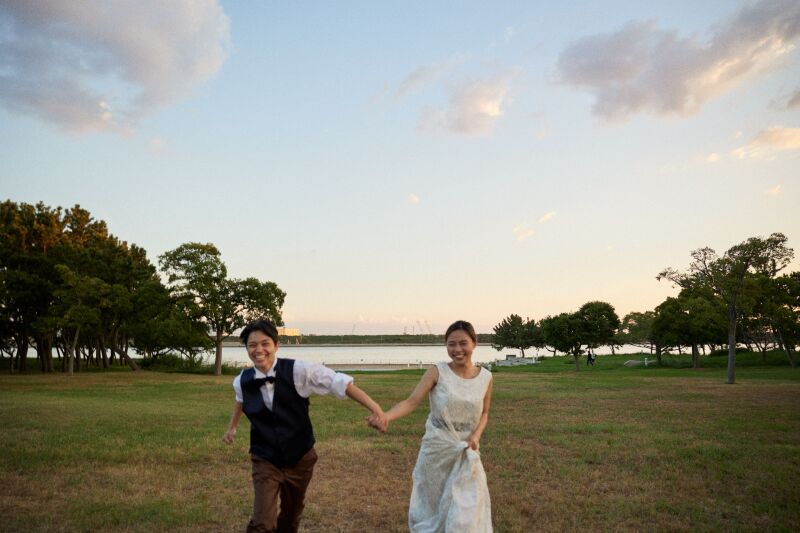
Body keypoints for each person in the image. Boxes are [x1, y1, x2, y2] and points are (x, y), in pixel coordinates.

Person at [223, 319, 385, 533]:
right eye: (252, 345)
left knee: (291, 515)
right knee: (263, 522)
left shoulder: (299, 370)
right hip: (265, 456)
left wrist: (376, 408)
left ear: (276, 345)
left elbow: (339, 383)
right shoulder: (241, 381)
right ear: (246, 349)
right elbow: (241, 400)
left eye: (265, 343)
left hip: (300, 456)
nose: (258, 350)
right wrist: (232, 427)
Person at [368, 320, 494, 532]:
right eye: (451, 344)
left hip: (467, 451)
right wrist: (386, 417)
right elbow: (411, 402)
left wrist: (476, 436)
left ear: (474, 343)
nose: (457, 349)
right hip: (436, 450)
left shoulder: (486, 377)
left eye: (463, 343)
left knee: (467, 508)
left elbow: (485, 413)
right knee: (432, 508)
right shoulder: (437, 371)